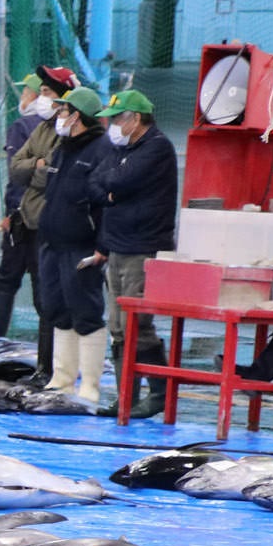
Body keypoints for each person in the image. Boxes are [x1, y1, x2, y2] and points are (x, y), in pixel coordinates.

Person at [92, 88, 177, 417]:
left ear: (136, 118)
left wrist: (112, 186)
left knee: (136, 324)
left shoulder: (157, 147)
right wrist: (110, 188)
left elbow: (120, 181)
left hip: (144, 247)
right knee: (117, 325)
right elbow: (96, 180)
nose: (113, 126)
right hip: (117, 245)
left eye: (118, 119)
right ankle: (126, 396)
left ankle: (158, 393)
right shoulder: (121, 148)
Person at [36, 86, 116, 403]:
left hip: (82, 246)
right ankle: (62, 378)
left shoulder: (101, 150)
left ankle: (90, 385)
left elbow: (106, 205)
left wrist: (102, 245)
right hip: (53, 243)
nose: (60, 115)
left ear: (78, 116)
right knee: (56, 308)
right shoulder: (63, 148)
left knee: (86, 310)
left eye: (64, 110)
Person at [7, 65, 77, 380]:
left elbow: (55, 174)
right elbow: (16, 167)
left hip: (61, 229)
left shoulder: (75, 132)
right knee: (42, 299)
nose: (41, 98)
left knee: (61, 300)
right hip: (34, 224)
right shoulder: (43, 127)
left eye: (47, 92)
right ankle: (45, 368)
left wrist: (37, 168)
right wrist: (37, 166)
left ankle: (61, 371)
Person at [0, 71, 57, 365]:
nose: (25, 98)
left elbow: (17, 174)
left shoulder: (23, 126)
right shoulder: (55, 128)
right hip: (47, 217)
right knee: (43, 285)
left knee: (8, 279)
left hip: (23, 218)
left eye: (28, 92)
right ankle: (48, 354)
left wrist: (11, 212)